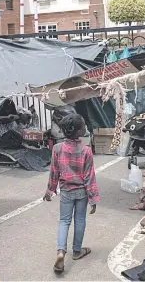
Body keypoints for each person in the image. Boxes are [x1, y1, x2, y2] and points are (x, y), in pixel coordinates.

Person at [43, 114, 99, 273]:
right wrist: (93, 198)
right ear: (80, 131)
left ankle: (61, 252)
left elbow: (54, 172)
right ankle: (77, 251)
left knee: (64, 221)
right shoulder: (86, 150)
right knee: (80, 219)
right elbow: (89, 177)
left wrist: (50, 191)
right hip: (82, 192)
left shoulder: (57, 149)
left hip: (66, 191)